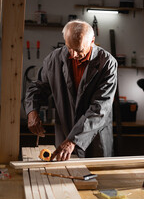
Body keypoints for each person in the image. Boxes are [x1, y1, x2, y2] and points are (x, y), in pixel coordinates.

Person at [25, 20, 117, 161]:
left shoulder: (107, 64)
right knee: (63, 177)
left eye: (79, 50)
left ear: (92, 41)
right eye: (69, 47)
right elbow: (37, 87)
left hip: (94, 135)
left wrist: (73, 140)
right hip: (65, 131)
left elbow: (99, 108)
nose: (73, 55)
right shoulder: (53, 59)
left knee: (95, 179)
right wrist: (32, 111)